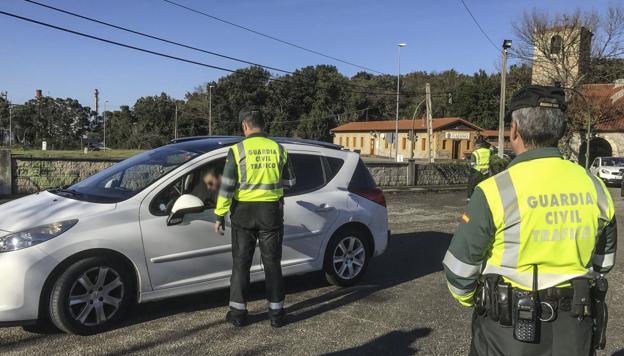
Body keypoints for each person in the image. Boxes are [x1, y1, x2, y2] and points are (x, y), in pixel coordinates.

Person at [443, 85, 617, 356]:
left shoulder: (494, 191)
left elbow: (459, 271)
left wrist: (477, 300)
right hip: (575, 327)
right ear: (560, 131)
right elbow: (604, 263)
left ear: (514, 131)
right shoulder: (595, 187)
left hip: (506, 330)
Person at [214, 106, 295, 328]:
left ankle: (238, 314)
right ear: (262, 124)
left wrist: (219, 214)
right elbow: (290, 182)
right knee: (272, 264)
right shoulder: (278, 148)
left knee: (241, 264)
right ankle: (276, 315)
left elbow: (227, 187)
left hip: (243, 213)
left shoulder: (237, 150)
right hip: (271, 212)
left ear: (245, 125)